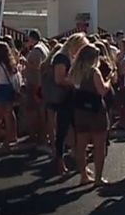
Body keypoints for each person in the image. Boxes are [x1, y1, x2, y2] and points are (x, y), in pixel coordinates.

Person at [70, 44, 111, 186]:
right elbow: (102, 90)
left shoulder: (75, 71)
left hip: (80, 110)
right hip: (95, 110)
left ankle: (83, 175)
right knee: (99, 145)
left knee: (81, 144)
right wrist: (109, 81)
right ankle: (98, 178)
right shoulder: (94, 72)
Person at [51, 33, 89, 174]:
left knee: (78, 131)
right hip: (65, 98)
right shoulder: (62, 58)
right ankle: (59, 162)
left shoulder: (71, 58)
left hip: (72, 98)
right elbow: (59, 79)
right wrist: (77, 83)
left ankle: (80, 165)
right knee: (62, 131)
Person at [0, 41, 21, 151]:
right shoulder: (12, 65)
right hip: (9, 89)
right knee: (8, 116)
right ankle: (8, 141)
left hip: (1, 89)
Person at [23, 29, 49, 150]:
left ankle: (39, 136)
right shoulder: (43, 47)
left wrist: (26, 63)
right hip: (37, 83)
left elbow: (38, 67)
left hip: (35, 84)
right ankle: (40, 135)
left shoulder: (37, 50)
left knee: (36, 111)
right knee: (39, 111)